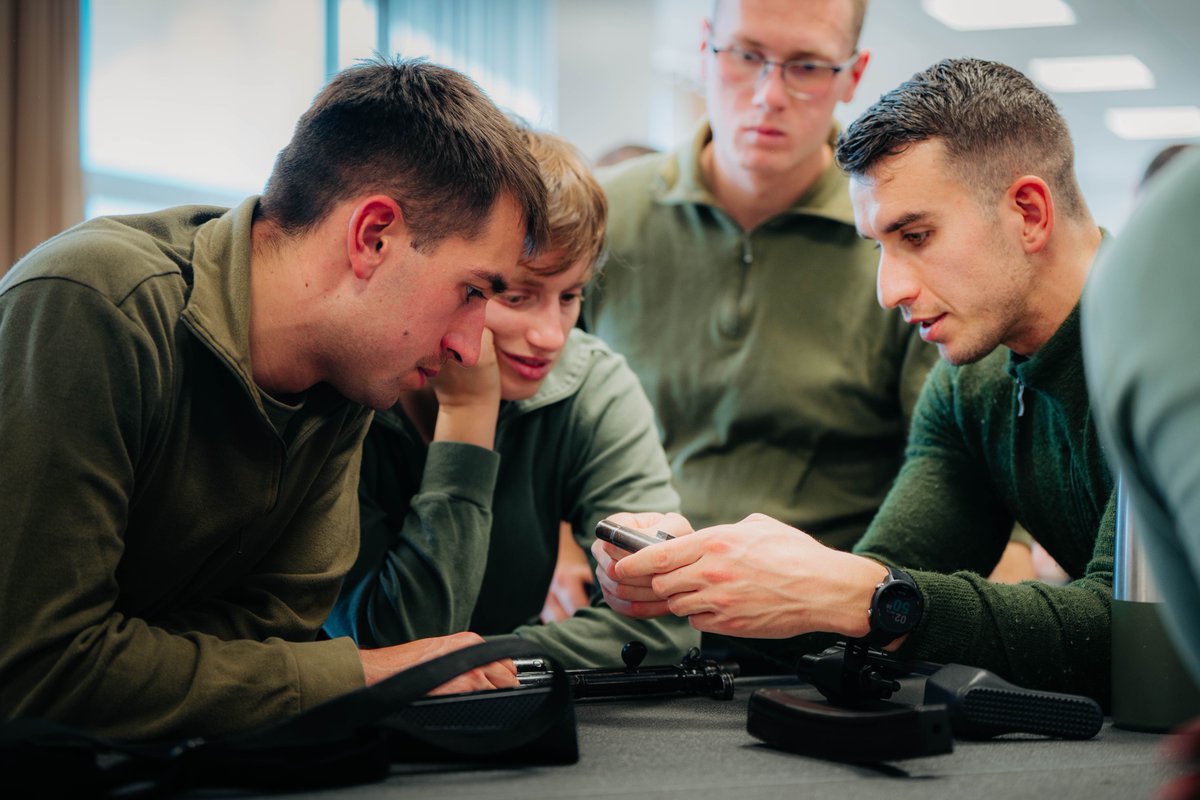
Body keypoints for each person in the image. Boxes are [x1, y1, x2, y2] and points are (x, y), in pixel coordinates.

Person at [0, 57, 550, 741]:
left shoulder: (348, 370)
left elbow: (271, 643)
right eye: (472, 291)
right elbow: (38, 670)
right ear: (372, 236)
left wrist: (155, 663)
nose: (472, 350)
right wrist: (368, 672)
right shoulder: (93, 303)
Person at [594, 57, 1115, 704]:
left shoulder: (1169, 352)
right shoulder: (970, 384)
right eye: (880, 247)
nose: (889, 289)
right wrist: (702, 571)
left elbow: (1135, 636)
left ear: (1030, 213)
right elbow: (868, 606)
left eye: (917, 235)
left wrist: (862, 595)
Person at [324, 126, 698, 668]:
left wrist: (497, 663)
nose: (552, 335)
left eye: (570, 296)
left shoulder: (591, 383)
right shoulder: (348, 394)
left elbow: (666, 628)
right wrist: (468, 414)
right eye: (518, 297)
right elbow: (392, 646)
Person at [581, 0, 935, 555]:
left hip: (820, 616)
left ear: (853, 75)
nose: (769, 95)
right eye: (746, 55)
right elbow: (530, 413)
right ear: (705, 48)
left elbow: (946, 461)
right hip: (620, 596)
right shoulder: (604, 214)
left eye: (808, 67)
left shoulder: (898, 238)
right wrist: (553, 543)